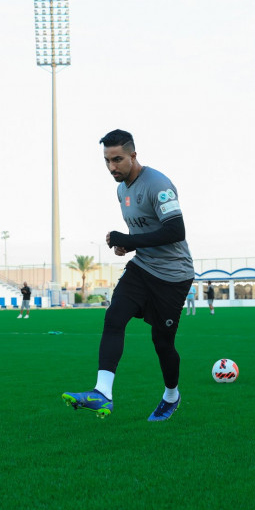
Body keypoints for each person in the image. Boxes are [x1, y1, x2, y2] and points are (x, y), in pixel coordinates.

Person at [62, 129, 194, 422]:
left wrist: (131, 240)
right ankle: (102, 393)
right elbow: (144, 232)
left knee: (162, 342)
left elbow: (176, 231)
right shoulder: (121, 190)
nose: (112, 168)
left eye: (118, 159)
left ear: (133, 155)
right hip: (143, 268)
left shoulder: (158, 184)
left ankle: (171, 396)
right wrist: (126, 245)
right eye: (107, 161)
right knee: (114, 317)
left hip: (173, 276)